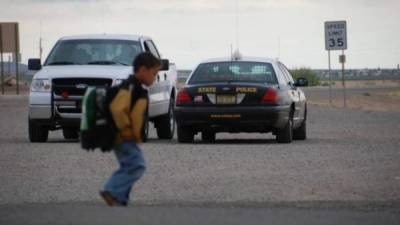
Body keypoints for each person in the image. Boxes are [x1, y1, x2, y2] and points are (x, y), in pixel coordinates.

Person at [100, 52, 161, 206]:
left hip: (123, 136)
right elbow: (118, 109)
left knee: (129, 166)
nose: (155, 78)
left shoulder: (134, 87)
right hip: (123, 137)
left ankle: (120, 200)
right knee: (137, 165)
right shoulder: (132, 89)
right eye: (154, 74)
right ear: (142, 70)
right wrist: (126, 131)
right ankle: (111, 190)